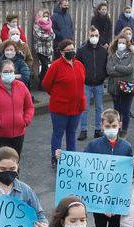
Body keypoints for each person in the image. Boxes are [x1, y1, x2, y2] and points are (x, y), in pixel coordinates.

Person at [57, 109, 134, 227]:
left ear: (119, 125)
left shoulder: (126, 147)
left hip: (116, 199)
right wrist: (63, 158)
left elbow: (129, 175)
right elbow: (82, 165)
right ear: (102, 125)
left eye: (114, 125)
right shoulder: (94, 145)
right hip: (98, 198)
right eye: (108, 126)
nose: (111, 129)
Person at [42, 39, 86, 167]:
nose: (71, 52)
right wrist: (57, 95)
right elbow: (46, 84)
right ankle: (55, 158)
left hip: (76, 107)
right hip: (60, 108)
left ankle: (71, 158)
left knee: (72, 134)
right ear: (61, 53)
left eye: (73, 49)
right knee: (58, 134)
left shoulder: (79, 65)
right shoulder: (56, 66)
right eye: (68, 50)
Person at [0, 60, 34, 154]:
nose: (9, 74)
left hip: (18, 133)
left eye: (11, 71)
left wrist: (25, 120)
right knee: (0, 164)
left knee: (15, 163)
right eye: (5, 72)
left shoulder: (22, 86)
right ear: (0, 73)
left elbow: (29, 107)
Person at [78, 26, 109, 139]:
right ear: (88, 36)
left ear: (99, 36)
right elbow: (78, 66)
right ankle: (83, 130)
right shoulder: (81, 50)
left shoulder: (103, 51)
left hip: (99, 83)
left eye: (96, 35)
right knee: (84, 108)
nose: (94, 37)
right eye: (92, 35)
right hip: (86, 84)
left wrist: (103, 76)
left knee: (99, 108)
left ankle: (98, 129)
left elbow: (106, 65)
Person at [106, 31, 134, 138]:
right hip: (115, 87)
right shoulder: (111, 55)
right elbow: (109, 70)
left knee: (126, 110)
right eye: (120, 42)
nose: (121, 44)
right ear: (116, 43)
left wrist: (116, 67)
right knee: (117, 110)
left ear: (127, 44)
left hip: (127, 87)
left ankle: (124, 130)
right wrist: (122, 69)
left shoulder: (132, 55)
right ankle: (116, 129)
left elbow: (131, 69)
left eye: (123, 43)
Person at [33, 9, 56, 88]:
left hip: (48, 49)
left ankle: (44, 83)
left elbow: (53, 35)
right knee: (45, 66)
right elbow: (40, 36)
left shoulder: (49, 24)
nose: (46, 18)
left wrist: (50, 36)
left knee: (46, 67)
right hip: (40, 50)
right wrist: (50, 36)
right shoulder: (37, 25)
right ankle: (41, 85)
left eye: (47, 16)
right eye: (44, 16)